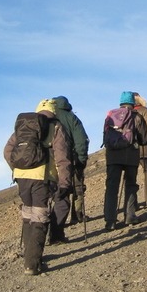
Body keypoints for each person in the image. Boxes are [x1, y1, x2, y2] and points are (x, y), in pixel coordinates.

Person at [3, 99, 72, 275]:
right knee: (40, 216)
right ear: (53, 111)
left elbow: (7, 151)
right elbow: (62, 158)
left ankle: (30, 255)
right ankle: (32, 264)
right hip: (42, 177)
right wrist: (64, 182)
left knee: (27, 214)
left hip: (22, 176)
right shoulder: (56, 127)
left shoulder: (24, 126)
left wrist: (17, 168)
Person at [102, 91, 147, 231]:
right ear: (132, 103)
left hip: (112, 157)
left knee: (111, 188)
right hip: (131, 156)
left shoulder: (110, 116)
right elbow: (144, 139)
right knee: (130, 185)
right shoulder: (137, 116)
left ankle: (110, 221)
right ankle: (130, 216)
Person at [51, 96, 90, 228]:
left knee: (59, 188)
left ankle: (55, 221)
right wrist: (81, 159)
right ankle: (77, 215)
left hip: (53, 161)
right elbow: (81, 139)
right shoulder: (72, 117)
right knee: (77, 186)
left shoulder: (50, 117)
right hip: (72, 158)